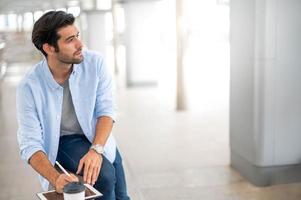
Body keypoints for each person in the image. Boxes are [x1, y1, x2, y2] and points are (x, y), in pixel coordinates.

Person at [16, 11, 130, 200]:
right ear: (49, 48)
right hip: (61, 140)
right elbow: (29, 143)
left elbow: (106, 110)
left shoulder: (95, 63)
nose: (80, 45)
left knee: (122, 196)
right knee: (106, 178)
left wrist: (96, 150)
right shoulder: (29, 86)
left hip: (98, 136)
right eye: (70, 40)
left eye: (77, 36)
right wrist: (56, 178)